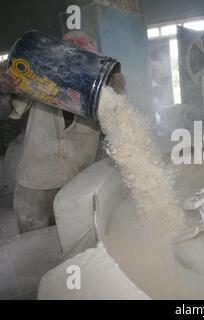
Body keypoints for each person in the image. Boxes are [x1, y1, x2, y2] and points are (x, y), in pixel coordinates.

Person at [10, 31, 125, 233]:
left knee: (76, 243)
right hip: (36, 183)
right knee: (35, 248)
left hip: (78, 184)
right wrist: (6, 89)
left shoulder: (98, 94)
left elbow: (116, 129)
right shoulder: (39, 80)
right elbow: (9, 111)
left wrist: (116, 93)